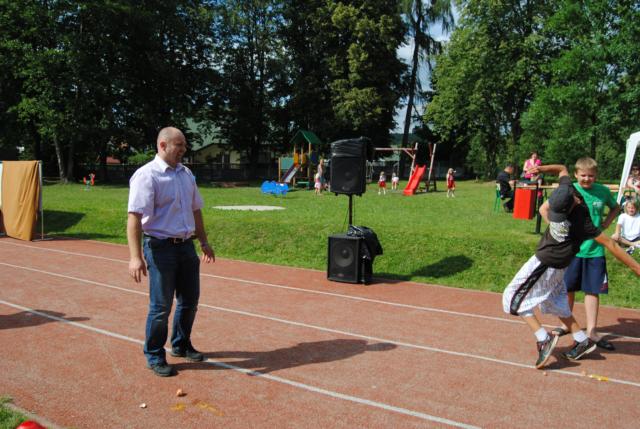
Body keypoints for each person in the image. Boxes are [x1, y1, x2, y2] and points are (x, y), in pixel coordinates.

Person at [502, 163, 640, 369]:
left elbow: (611, 244)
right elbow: (562, 169)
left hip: (546, 263)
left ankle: (543, 338)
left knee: (511, 298)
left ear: (573, 204)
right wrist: (541, 169)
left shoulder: (583, 222)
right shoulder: (568, 188)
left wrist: (637, 268)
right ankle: (581, 339)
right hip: (561, 267)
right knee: (556, 302)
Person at [127, 127, 215, 377]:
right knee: (161, 306)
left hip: (186, 246)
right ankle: (155, 355)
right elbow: (134, 218)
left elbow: (196, 209)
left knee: (189, 302)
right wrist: (135, 257)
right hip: (160, 247)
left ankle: (181, 344)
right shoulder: (146, 175)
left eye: (184, 145)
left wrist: (204, 242)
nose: (184, 150)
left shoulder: (186, 174)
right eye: (179, 145)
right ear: (163, 146)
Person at [548, 157, 619, 351]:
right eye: (583, 175)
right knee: (567, 289)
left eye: (591, 176)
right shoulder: (569, 189)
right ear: (576, 174)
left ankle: (592, 331)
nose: (587, 179)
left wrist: (606, 223)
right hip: (572, 250)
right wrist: (557, 229)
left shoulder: (602, 191)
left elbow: (615, 207)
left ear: (596, 176)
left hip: (595, 250)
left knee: (592, 290)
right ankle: (566, 324)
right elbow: (547, 209)